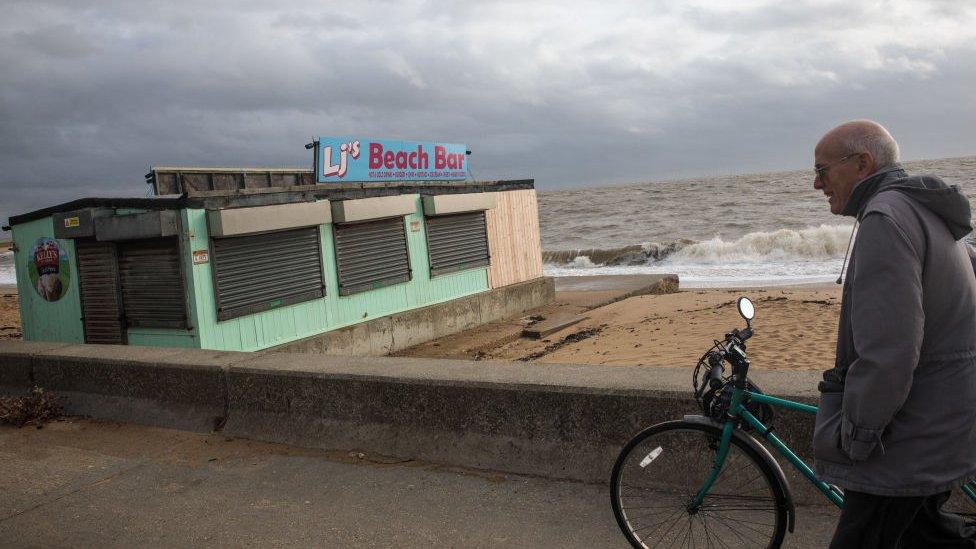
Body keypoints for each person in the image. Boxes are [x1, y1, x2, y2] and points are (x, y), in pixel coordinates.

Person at [812, 119, 976, 548]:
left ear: (862, 163)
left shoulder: (885, 218)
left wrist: (859, 433)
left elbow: (891, 350)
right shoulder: (924, 209)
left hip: (904, 439)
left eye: (822, 170)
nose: (816, 184)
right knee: (927, 537)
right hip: (941, 420)